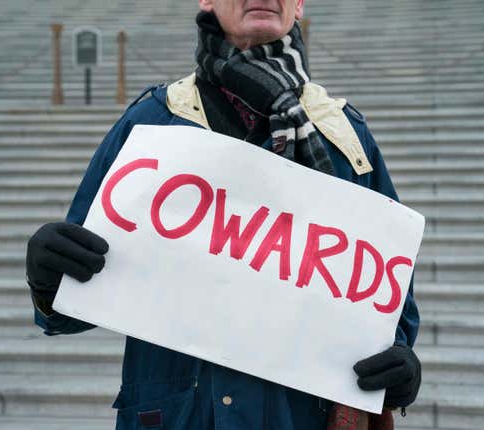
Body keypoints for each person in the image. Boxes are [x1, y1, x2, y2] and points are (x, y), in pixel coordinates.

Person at [25, 1, 421, 429]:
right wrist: (49, 279)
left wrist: (399, 366)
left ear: (300, 4)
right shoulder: (153, 121)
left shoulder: (347, 135)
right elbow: (73, 302)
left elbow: (390, 308)